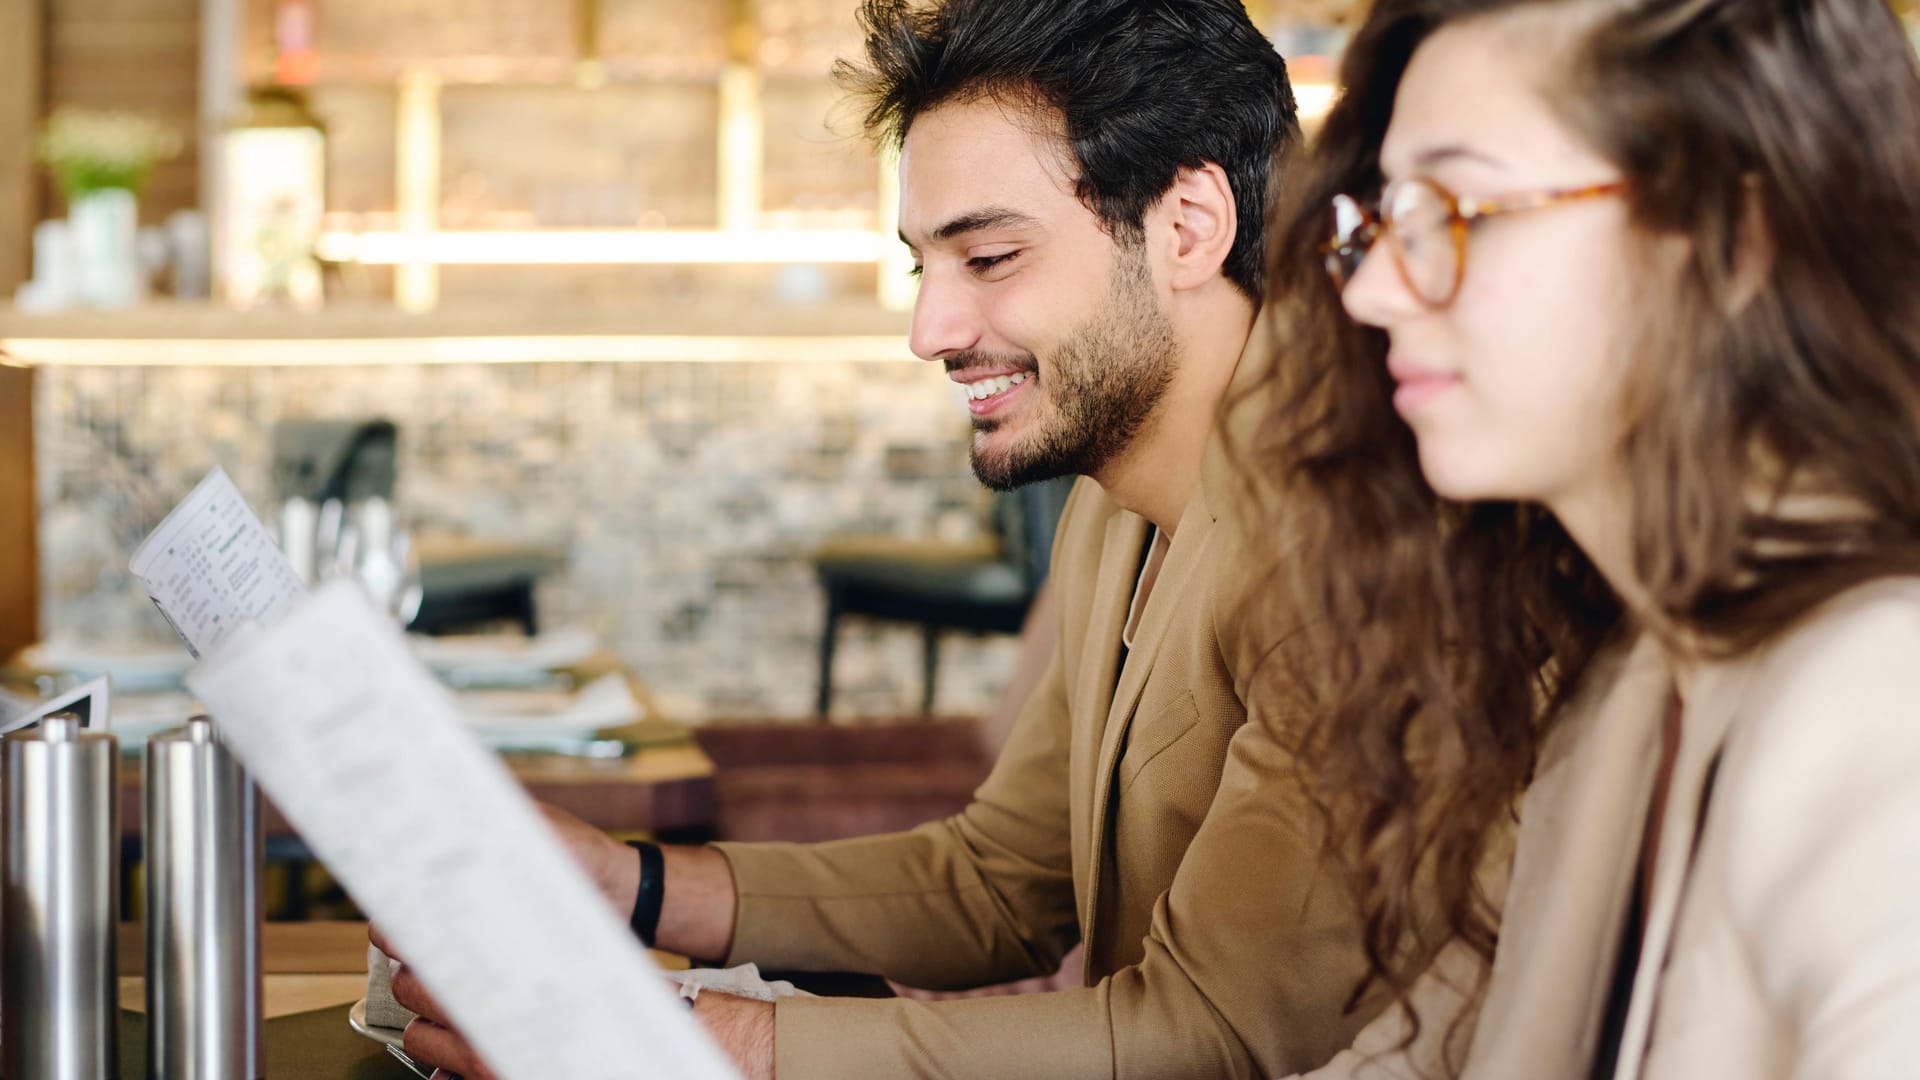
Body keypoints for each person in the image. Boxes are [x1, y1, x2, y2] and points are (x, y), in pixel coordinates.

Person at [384, 1, 1381, 1077]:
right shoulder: (1116, 503)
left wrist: (711, 1048)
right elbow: (1002, 879)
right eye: (923, 268)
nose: (930, 331)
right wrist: (634, 885)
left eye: (990, 257)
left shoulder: (1357, 553)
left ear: (1188, 228)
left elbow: (1220, 1038)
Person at [1247, 0, 1920, 1077]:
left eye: (1457, 209)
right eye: (1382, 221)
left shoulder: (1881, 708)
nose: (1371, 290)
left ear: (1735, 238)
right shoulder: (1634, 679)